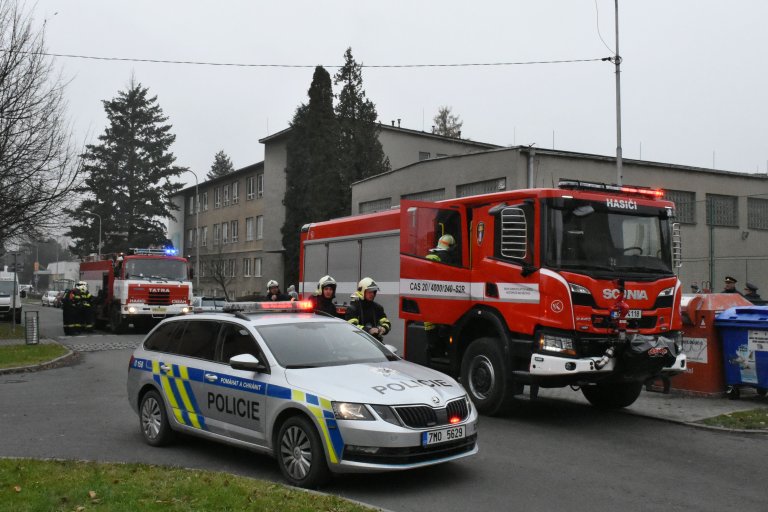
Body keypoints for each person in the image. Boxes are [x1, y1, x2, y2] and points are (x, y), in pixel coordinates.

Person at [345, 277, 391, 342]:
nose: (372, 294)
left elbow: (386, 322)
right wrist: (368, 330)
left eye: (374, 292)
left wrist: (384, 328)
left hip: (375, 343)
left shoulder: (377, 308)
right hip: (357, 343)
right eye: (369, 292)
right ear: (362, 291)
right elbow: (352, 327)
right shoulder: (353, 308)